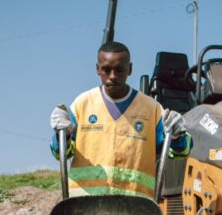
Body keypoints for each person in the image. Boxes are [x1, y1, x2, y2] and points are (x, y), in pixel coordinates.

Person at [50, 41, 191, 198]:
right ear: (97, 69)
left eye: (119, 70)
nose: (113, 76)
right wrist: (62, 135)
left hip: (135, 209)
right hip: (85, 209)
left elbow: (180, 152)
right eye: (106, 70)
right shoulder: (82, 105)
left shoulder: (151, 110)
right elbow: (59, 153)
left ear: (130, 69)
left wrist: (178, 135)